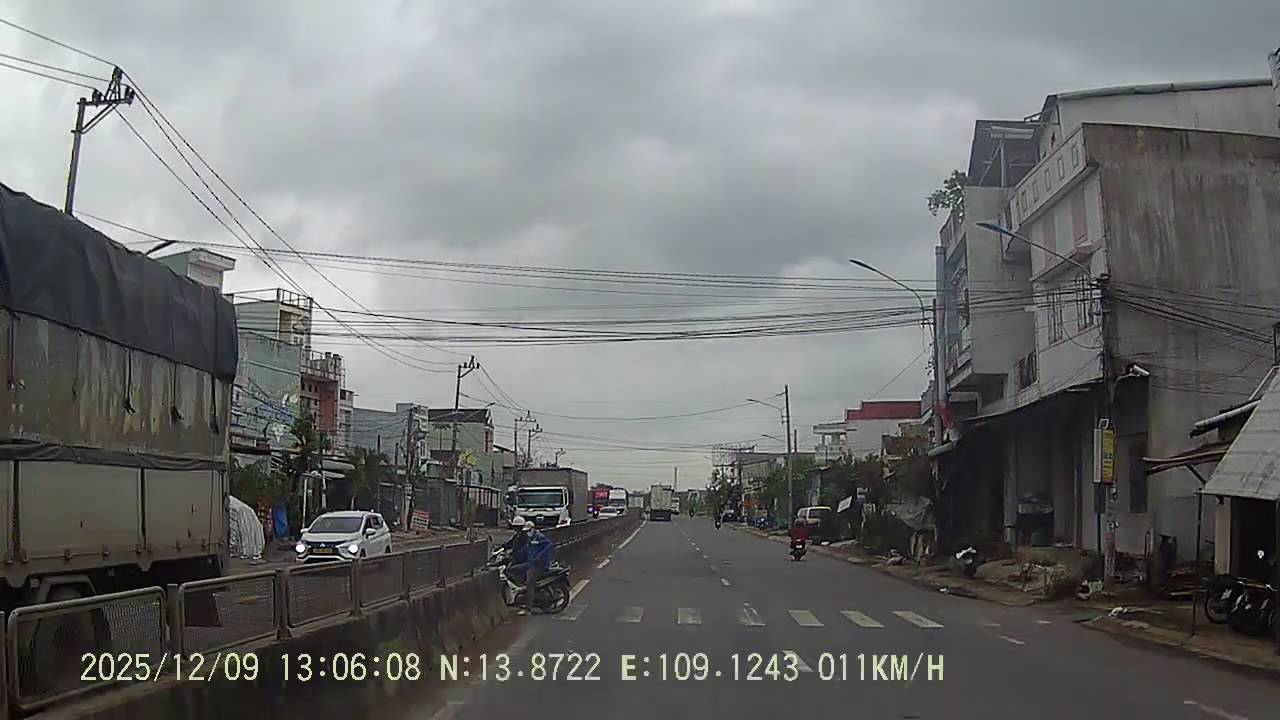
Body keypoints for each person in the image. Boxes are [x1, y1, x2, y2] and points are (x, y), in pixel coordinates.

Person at [511, 520, 556, 614]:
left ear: (532, 529)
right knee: (513, 570)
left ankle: (528, 608)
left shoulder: (539, 537)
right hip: (530, 563)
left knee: (529, 584)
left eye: (528, 531)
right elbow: (525, 550)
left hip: (538, 565)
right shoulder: (530, 540)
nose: (527, 533)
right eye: (526, 531)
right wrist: (514, 555)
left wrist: (539, 557)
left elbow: (549, 546)